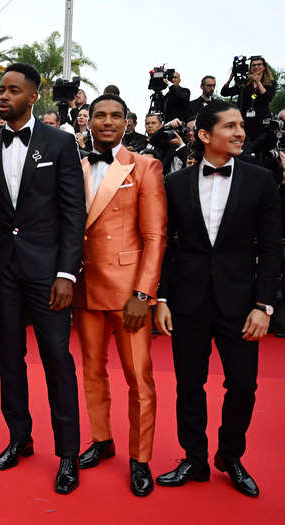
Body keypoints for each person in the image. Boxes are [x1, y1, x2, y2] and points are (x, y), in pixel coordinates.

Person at [0, 63, 86, 494]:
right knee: (8, 360)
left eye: (13, 90)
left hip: (47, 272)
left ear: (33, 96)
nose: (3, 96)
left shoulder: (60, 142)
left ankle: (68, 454)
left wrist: (65, 272)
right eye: (1, 90)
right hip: (2, 272)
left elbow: (74, 212)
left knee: (57, 359)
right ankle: (19, 438)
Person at [155, 101, 281, 497]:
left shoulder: (261, 180)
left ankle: (230, 454)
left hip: (241, 304)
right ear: (205, 135)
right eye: (231, 126)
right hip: (188, 301)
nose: (241, 132)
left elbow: (273, 247)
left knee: (243, 385)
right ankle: (194, 457)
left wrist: (264, 305)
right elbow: (164, 247)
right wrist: (161, 298)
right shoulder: (175, 185)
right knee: (188, 385)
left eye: (241, 125)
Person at [72, 94, 167, 497]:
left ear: (127, 122)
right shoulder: (74, 167)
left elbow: (155, 235)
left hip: (128, 290)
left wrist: (143, 294)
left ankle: (140, 458)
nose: (107, 121)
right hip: (83, 285)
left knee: (138, 379)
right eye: (100, 115)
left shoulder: (144, 166)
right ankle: (101, 438)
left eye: (116, 116)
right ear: (88, 121)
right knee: (91, 372)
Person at [221, 56, 276, 144]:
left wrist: (258, 82)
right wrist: (231, 77)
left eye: (259, 64)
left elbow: (267, 98)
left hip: (261, 121)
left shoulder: (270, 82)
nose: (256, 67)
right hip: (245, 121)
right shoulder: (245, 83)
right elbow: (224, 92)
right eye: (253, 65)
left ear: (264, 67)